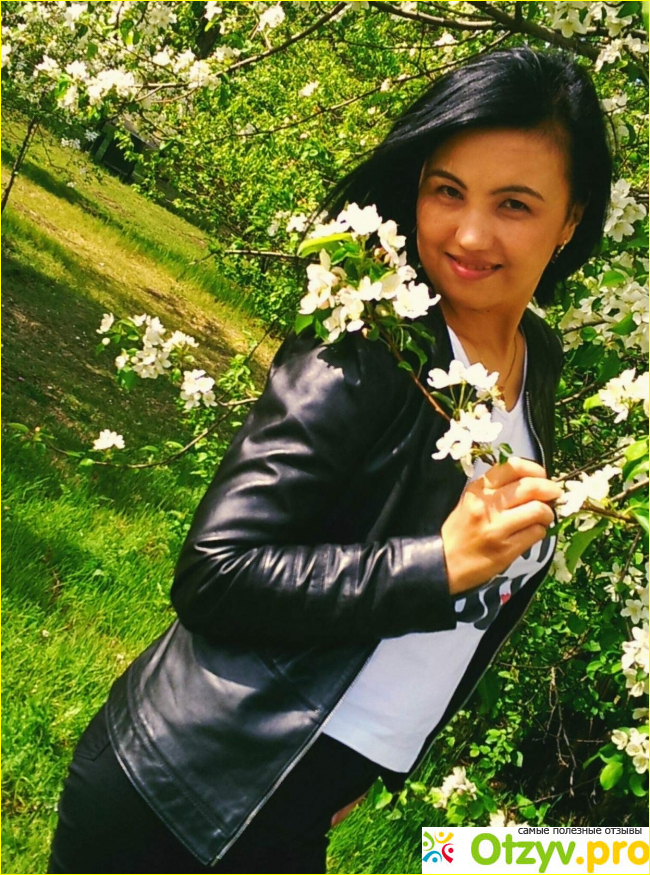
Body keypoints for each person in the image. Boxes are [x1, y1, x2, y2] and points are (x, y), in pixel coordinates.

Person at [48, 47, 612, 874]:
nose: (468, 233)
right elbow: (214, 572)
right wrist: (437, 563)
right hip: (178, 793)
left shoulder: (539, 361)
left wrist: (374, 756)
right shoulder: (365, 347)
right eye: (446, 190)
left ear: (570, 220)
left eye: (515, 204)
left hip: (297, 800)